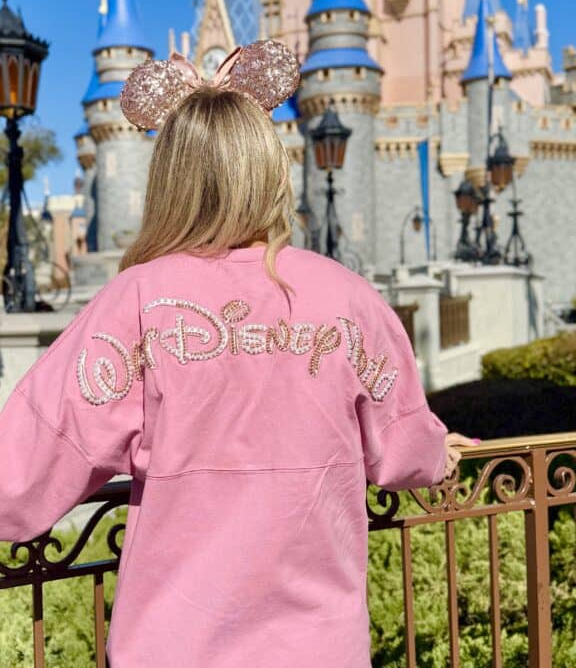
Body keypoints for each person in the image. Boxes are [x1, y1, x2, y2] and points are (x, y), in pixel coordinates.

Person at [0, 40, 476, 667]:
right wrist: (438, 453)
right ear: (273, 173)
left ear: (168, 180)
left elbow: (22, 474)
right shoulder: (346, 297)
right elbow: (403, 448)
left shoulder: (138, 302)